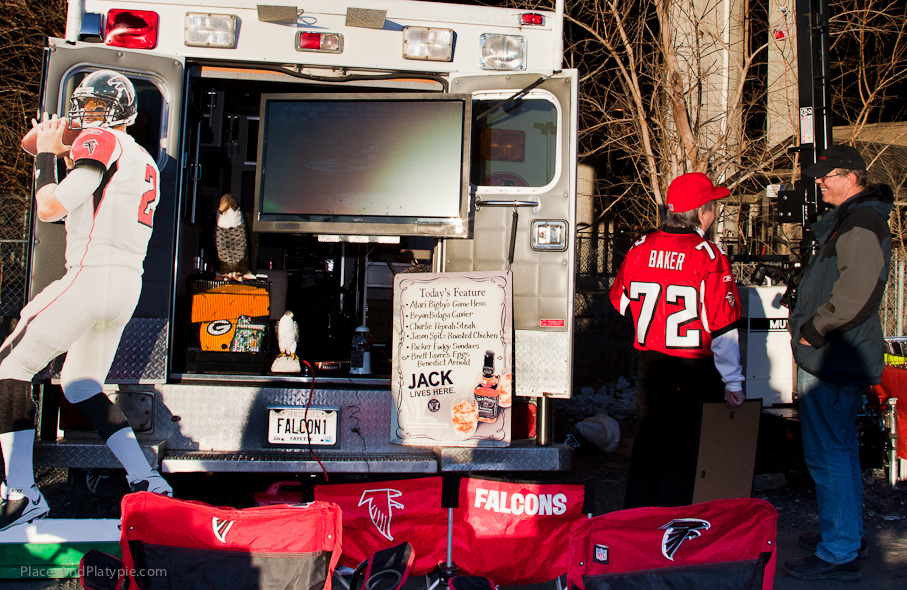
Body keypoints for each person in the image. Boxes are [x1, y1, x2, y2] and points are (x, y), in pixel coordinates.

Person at [0, 70, 172, 532]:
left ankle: (22, 491)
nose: (89, 115)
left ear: (114, 114)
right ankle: (147, 479)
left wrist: (43, 160)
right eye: (88, 105)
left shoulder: (99, 140)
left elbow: (54, 208)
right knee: (80, 385)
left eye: (97, 107)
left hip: (90, 274)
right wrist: (58, 151)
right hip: (125, 286)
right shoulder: (144, 157)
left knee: (9, 369)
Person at [783, 145, 893, 582]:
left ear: (851, 177)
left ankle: (840, 550)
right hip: (833, 352)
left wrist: (815, 330)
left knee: (829, 453)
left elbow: (856, 292)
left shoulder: (861, 221)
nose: (819, 182)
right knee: (837, 450)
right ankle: (845, 534)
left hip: (833, 354)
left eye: (826, 176)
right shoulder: (854, 219)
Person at [610, 172, 745, 509]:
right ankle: (673, 533)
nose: (713, 213)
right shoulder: (709, 256)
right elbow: (723, 327)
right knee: (684, 450)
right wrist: (734, 380)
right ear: (702, 212)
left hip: (649, 364)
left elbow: (621, 303)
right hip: (692, 367)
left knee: (647, 443)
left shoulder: (640, 247)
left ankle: (636, 523)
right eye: (712, 206)